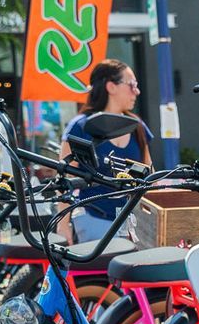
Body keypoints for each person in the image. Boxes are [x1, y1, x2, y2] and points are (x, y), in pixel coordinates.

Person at [63, 59, 150, 242]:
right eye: (132, 85)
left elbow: (150, 177)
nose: (137, 91)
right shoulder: (80, 127)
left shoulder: (137, 127)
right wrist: (62, 228)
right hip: (93, 220)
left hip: (133, 226)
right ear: (111, 87)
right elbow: (63, 182)